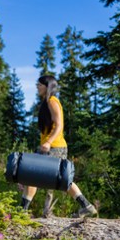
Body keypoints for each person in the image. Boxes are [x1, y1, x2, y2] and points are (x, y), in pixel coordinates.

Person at [21, 75, 97, 218]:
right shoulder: (47, 102)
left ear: (47, 86)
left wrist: (48, 142)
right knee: (58, 179)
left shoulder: (52, 101)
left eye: (40, 84)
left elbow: (59, 125)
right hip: (52, 147)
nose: (37, 87)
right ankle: (87, 206)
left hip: (55, 147)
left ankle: (22, 211)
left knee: (36, 176)